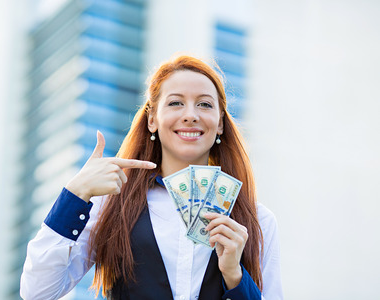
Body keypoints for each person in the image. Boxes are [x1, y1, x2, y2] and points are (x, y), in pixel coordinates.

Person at [20, 55, 283, 300]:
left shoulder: (258, 221)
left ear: (221, 123)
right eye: (175, 103)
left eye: (204, 104)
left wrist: (235, 277)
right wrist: (74, 195)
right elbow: (37, 292)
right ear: (152, 120)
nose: (190, 115)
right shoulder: (111, 206)